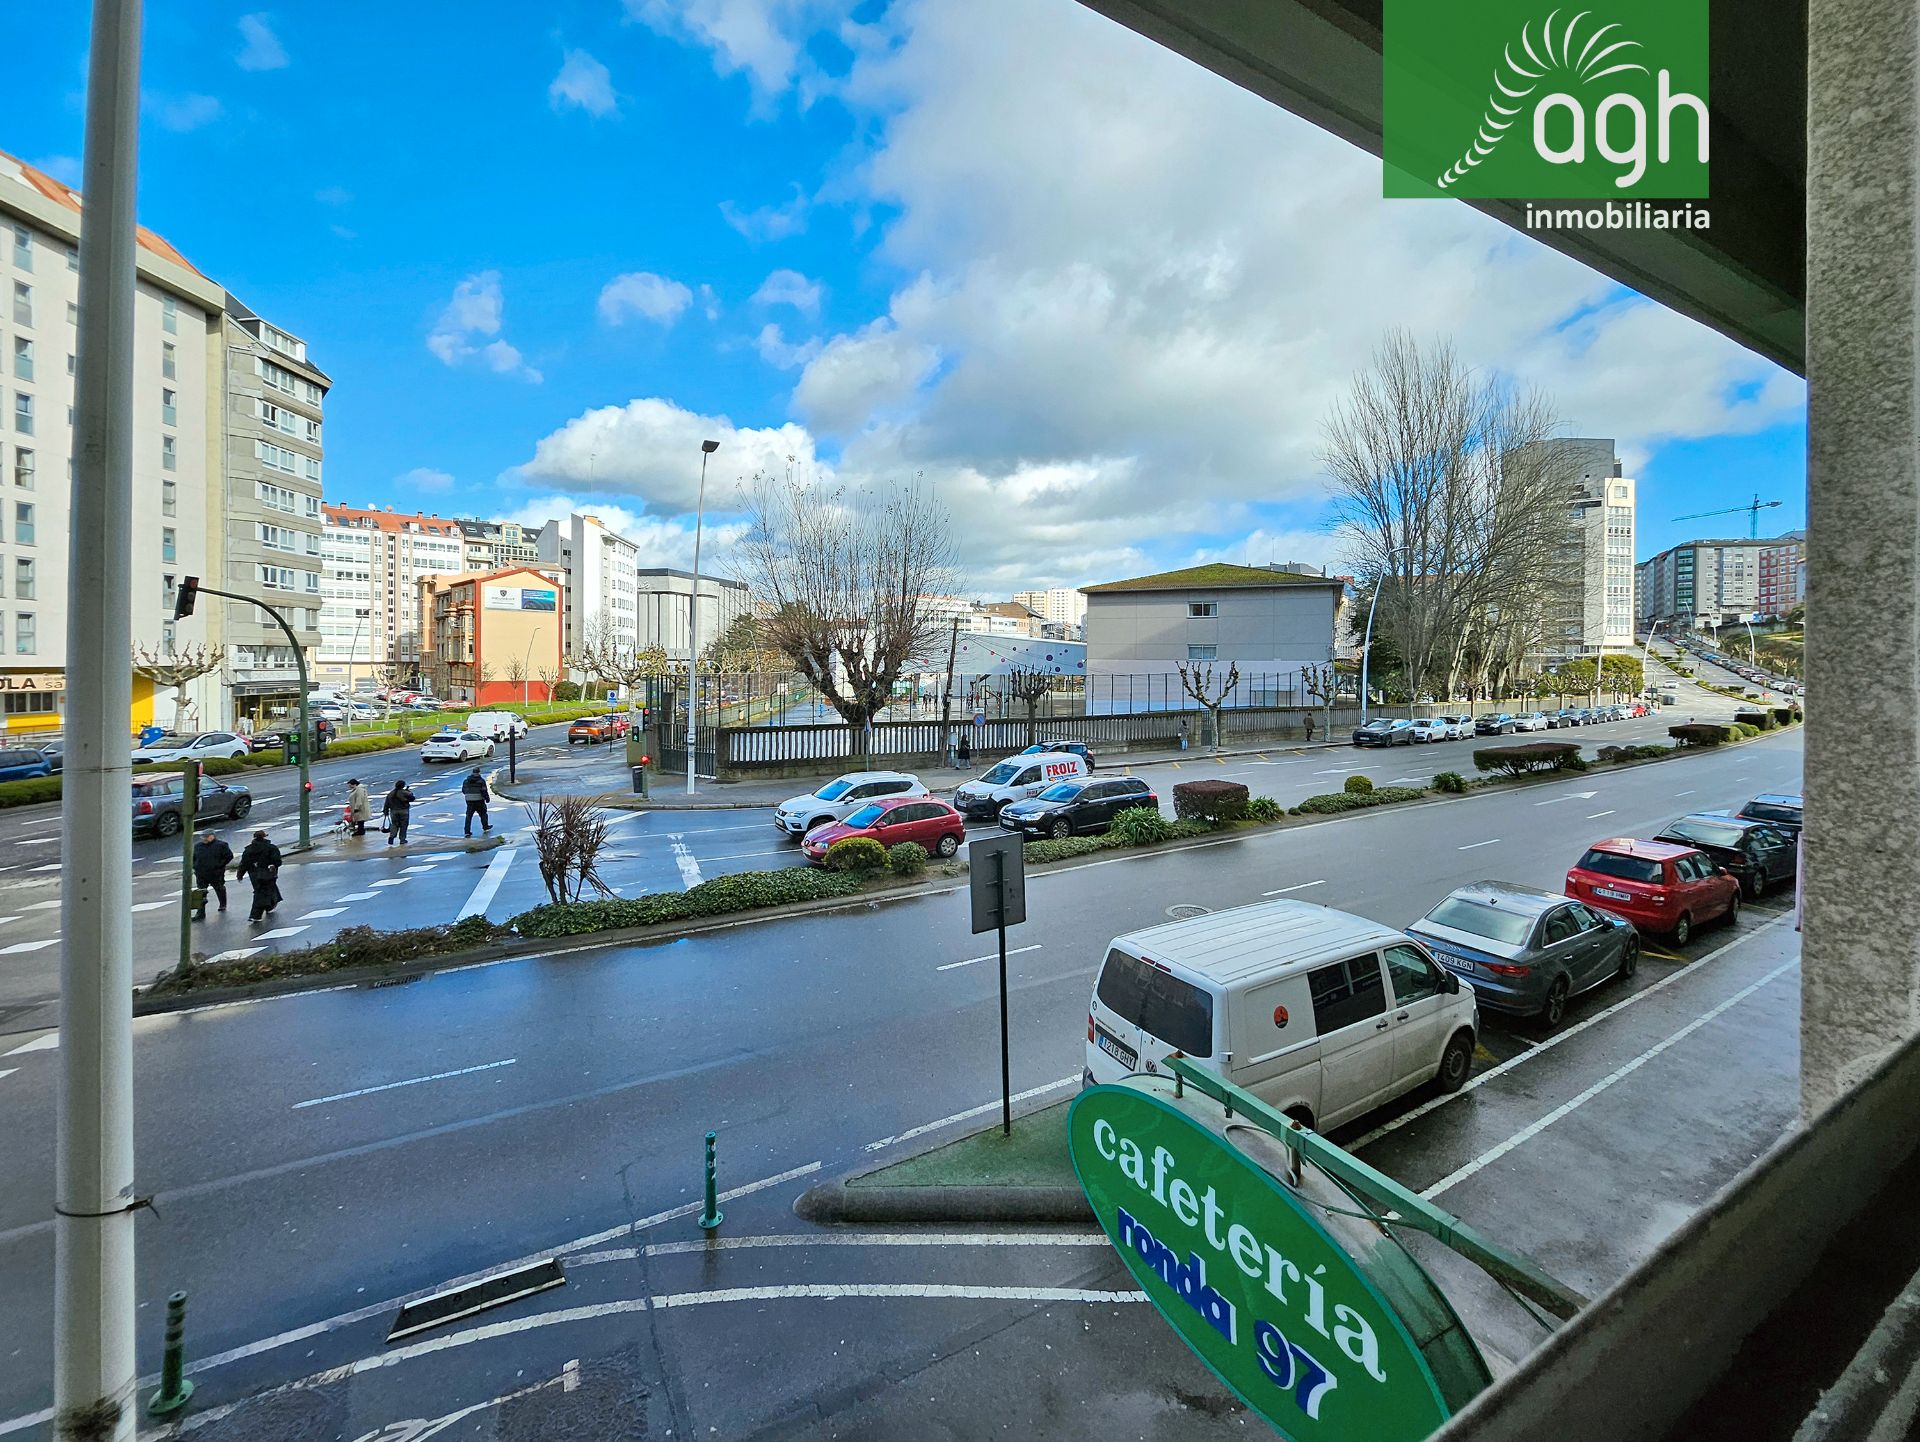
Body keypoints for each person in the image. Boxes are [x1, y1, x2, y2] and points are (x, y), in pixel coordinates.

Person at [235, 829, 283, 923]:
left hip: (254, 875)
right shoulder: (271, 848)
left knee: (260, 891)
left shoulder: (248, 850)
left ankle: (269, 906)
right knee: (263, 893)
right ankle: (257, 914)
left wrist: (240, 874)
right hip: (268, 874)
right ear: (265, 837)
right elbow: (277, 861)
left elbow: (244, 863)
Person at [191, 830, 233, 919]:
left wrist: (220, 866)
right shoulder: (198, 846)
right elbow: (193, 858)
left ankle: (222, 904)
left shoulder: (221, 845)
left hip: (216, 873)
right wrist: (195, 867)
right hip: (201, 873)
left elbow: (229, 856)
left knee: (219, 888)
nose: (204, 839)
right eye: (203, 837)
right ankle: (200, 913)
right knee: (201, 892)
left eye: (206, 837)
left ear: (212, 836)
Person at [382, 779, 416, 846]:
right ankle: (402, 840)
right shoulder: (404, 793)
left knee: (394, 825)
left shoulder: (390, 793)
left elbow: (386, 803)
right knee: (404, 826)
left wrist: (385, 811)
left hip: (393, 812)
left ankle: (392, 837)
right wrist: (409, 792)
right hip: (404, 811)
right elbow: (412, 798)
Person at [461, 767, 492, 837]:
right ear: (479, 772)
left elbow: (463, 790)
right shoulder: (481, 781)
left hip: (469, 800)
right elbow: (484, 791)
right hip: (479, 800)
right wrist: (487, 799)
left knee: (469, 816)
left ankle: (467, 832)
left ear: (472, 772)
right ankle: (485, 827)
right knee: (483, 814)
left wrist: (469, 795)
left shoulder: (466, 781)